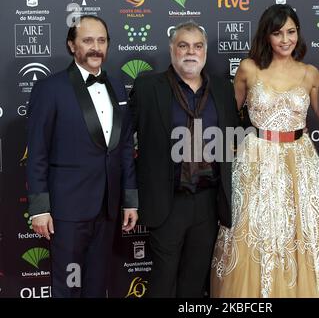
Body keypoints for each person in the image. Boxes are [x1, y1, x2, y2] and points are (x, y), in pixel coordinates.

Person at [211, 4, 319, 298]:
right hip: (256, 160)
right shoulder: (248, 68)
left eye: (291, 32)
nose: (285, 39)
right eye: (278, 33)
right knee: (256, 231)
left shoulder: (310, 74)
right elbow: (227, 118)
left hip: (300, 160)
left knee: (303, 233)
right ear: (266, 35)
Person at [26, 15, 138, 298]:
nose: (95, 47)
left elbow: (124, 147)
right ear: (71, 45)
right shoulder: (50, 88)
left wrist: (129, 201)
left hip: (107, 208)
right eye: (88, 40)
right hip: (68, 211)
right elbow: (37, 151)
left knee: (97, 285)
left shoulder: (116, 84)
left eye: (101, 41)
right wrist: (40, 208)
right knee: (69, 286)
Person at [129, 21, 239, 298]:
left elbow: (233, 142)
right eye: (183, 45)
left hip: (208, 201)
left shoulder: (223, 90)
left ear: (205, 51)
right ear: (171, 50)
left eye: (198, 46)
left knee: (195, 280)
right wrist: (129, 197)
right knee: (163, 280)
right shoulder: (147, 87)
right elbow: (123, 146)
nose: (191, 52)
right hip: (166, 200)